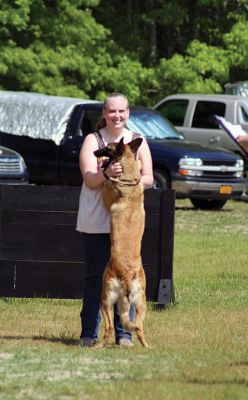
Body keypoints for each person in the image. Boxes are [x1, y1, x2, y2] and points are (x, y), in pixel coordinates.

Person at [76, 92, 154, 347]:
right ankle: (88, 332)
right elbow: (89, 179)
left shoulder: (136, 141)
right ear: (104, 114)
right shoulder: (92, 140)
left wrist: (126, 180)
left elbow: (149, 179)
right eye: (112, 111)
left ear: (128, 113)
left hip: (125, 224)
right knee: (94, 276)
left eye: (121, 111)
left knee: (127, 277)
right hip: (96, 220)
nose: (117, 116)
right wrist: (107, 173)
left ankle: (124, 334)